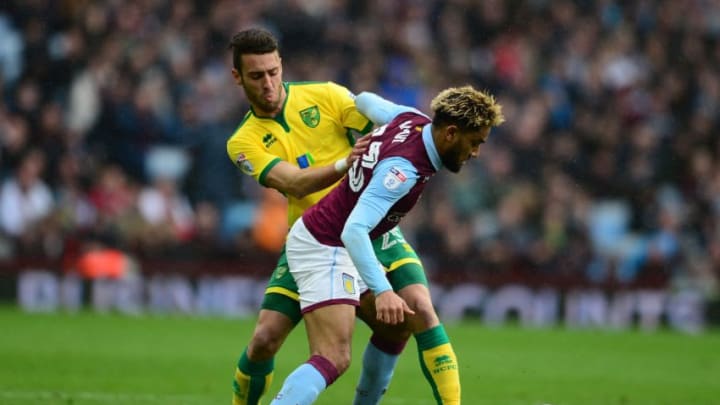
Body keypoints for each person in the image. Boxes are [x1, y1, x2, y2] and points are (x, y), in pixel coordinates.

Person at [226, 28, 434, 405]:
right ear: (237, 77)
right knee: (264, 341)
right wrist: (344, 162)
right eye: (257, 76)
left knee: (402, 321)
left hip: (362, 232)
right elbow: (293, 183)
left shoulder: (326, 95)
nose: (269, 83)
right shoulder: (243, 141)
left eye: (273, 72)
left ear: (281, 65)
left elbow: (385, 130)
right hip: (310, 242)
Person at [272, 86, 505, 405]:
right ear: (451, 133)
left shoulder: (411, 119)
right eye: (475, 142)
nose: (475, 152)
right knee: (334, 357)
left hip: (347, 238)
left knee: (414, 316)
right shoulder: (402, 172)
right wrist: (382, 291)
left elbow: (364, 100)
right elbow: (354, 229)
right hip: (324, 243)